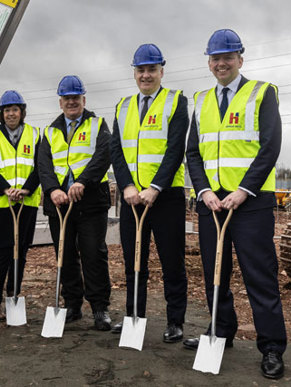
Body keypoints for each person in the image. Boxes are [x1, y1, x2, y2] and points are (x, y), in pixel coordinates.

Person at [184, 29, 287, 379]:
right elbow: (193, 153)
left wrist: (244, 190)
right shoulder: (200, 99)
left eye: (227, 57)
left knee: (259, 276)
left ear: (240, 59)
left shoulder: (262, 93)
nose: (221, 63)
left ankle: (272, 346)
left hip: (250, 204)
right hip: (212, 203)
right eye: (215, 58)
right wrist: (203, 191)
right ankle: (220, 330)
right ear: (209, 63)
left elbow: (269, 147)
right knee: (216, 274)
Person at [108, 43, 189, 343]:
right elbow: (117, 150)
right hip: (131, 199)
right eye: (141, 70)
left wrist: (155, 187)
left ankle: (175, 321)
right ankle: (133, 316)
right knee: (134, 262)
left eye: (151, 69)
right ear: (134, 73)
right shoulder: (123, 106)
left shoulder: (176, 101)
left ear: (161, 71)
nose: (146, 75)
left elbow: (175, 149)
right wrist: (128, 186)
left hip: (165, 197)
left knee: (172, 261)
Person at [37, 75, 113, 331]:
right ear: (60, 102)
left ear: (83, 99)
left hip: (90, 201)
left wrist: (83, 181)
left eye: (76, 97)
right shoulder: (49, 131)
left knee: (94, 253)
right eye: (67, 98)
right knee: (65, 255)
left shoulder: (98, 124)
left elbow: (104, 155)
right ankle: (72, 304)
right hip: (59, 205)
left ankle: (100, 307)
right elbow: (44, 165)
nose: (71, 102)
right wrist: (52, 190)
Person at [0, 90, 41, 320]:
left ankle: (13, 296)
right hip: (1, 203)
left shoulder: (35, 134)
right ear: (2, 113)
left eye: (15, 110)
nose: (11, 114)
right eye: (7, 110)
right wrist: (5, 189)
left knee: (22, 252)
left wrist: (26, 189)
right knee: (4, 252)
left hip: (27, 202)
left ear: (22, 112)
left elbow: (40, 166)